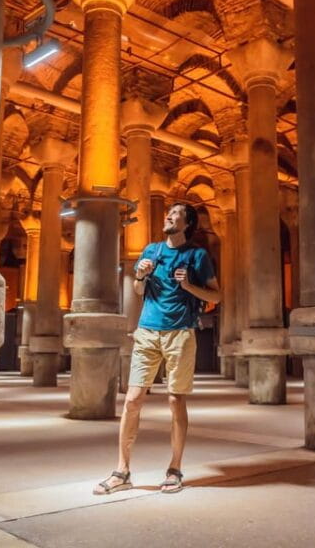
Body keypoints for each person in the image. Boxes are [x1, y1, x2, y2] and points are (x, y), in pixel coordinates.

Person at [93, 203, 221, 495]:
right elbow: (139, 291)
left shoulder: (197, 255)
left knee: (176, 400)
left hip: (180, 333)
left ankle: (174, 469)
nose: (168, 215)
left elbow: (217, 295)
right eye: (168, 213)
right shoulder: (151, 250)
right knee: (132, 400)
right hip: (147, 330)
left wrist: (188, 286)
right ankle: (121, 471)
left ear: (187, 223)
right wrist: (139, 276)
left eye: (176, 213)